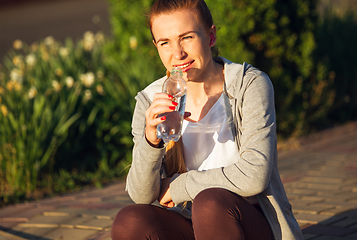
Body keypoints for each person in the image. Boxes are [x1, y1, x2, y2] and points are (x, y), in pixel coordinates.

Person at [111, 0, 303, 239]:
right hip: (190, 222)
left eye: (187, 37)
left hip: (249, 221)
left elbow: (254, 176)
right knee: (129, 220)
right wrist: (152, 141)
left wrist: (179, 186)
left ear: (210, 37)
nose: (177, 53)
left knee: (209, 202)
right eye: (165, 43)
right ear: (156, 46)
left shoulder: (248, 85)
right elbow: (141, 195)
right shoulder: (151, 100)